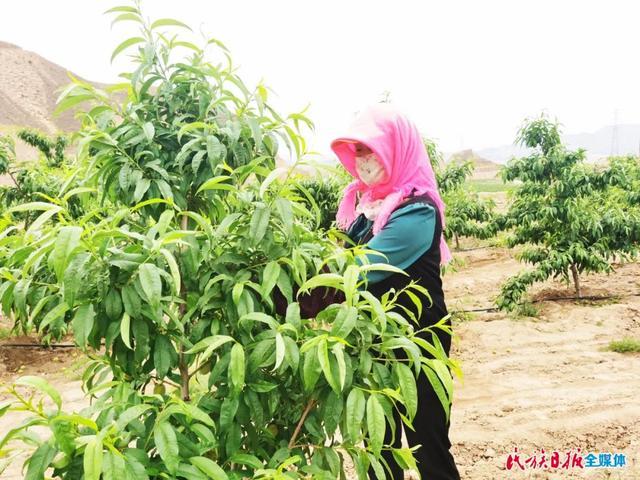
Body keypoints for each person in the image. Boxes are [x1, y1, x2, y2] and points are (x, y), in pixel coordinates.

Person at [330, 104, 461, 480]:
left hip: (419, 344)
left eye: (372, 149)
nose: (365, 160)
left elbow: (358, 269)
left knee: (427, 447)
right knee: (378, 449)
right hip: (373, 345)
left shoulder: (417, 212)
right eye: (359, 152)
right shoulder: (367, 208)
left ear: (397, 149)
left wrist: (300, 286)